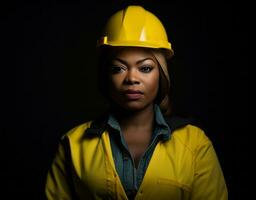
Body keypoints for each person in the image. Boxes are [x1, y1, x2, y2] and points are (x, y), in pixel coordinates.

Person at [45, 5, 228, 200]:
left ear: (162, 76)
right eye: (118, 68)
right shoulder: (73, 144)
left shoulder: (195, 144)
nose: (132, 78)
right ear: (105, 76)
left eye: (146, 68)